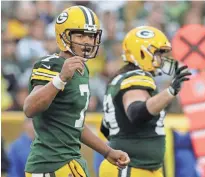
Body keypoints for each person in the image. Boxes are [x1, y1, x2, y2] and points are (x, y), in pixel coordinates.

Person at [23, 5, 130, 177]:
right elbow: (29, 108)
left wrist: (107, 152)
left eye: (91, 36)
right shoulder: (50, 64)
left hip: (70, 160)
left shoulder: (82, 70)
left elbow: (75, 125)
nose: (87, 41)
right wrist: (60, 79)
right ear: (64, 35)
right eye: (80, 35)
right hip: (50, 163)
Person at [99, 26, 191, 177]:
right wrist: (170, 92)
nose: (162, 58)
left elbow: (106, 128)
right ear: (142, 52)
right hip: (131, 168)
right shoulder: (136, 77)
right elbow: (136, 113)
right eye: (158, 53)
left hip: (136, 167)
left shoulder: (122, 77)